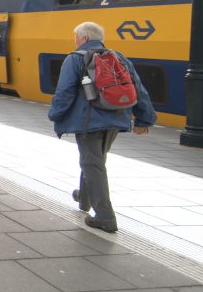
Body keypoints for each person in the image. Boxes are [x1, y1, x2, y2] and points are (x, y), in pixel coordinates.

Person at [47, 21, 156, 233]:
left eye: (76, 37)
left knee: (93, 164)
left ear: (84, 38)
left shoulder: (75, 58)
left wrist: (55, 114)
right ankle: (84, 200)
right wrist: (144, 119)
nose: (75, 41)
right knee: (94, 161)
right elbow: (139, 90)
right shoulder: (119, 57)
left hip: (89, 122)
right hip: (115, 119)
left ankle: (105, 217)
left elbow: (65, 92)